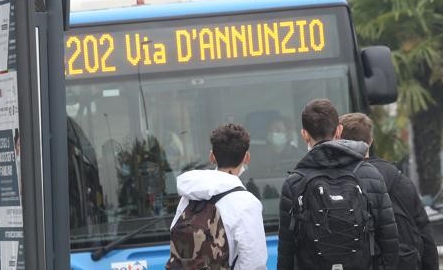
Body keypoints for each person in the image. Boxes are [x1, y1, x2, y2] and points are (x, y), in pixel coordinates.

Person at [278, 99, 400, 270]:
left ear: (304, 134)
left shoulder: (294, 183)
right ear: (339, 130)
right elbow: (389, 242)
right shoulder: (370, 175)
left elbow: (286, 252)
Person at [340, 113, 439, 270]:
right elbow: (425, 236)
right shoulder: (402, 182)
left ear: (338, 141)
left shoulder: (334, 184)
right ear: (370, 141)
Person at [168, 124, 267, 270]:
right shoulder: (247, 203)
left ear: (212, 156)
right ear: (247, 157)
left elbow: (174, 232)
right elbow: (254, 262)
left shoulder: (190, 193)